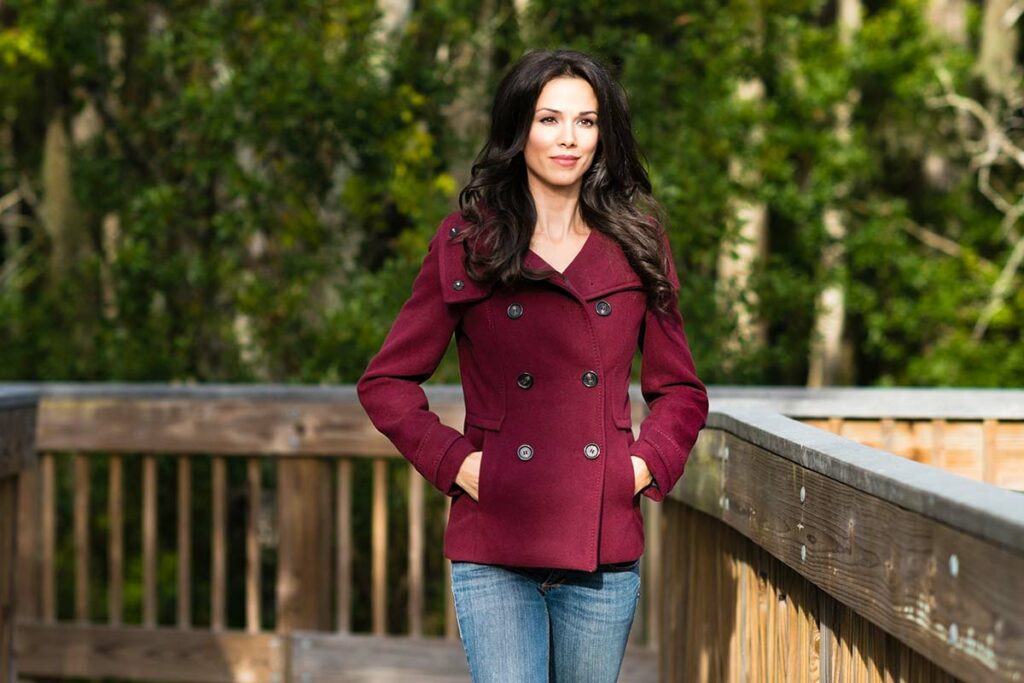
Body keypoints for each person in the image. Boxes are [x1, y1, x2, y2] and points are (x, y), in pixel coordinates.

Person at [357, 48, 709, 683]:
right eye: (549, 119)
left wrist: (639, 468)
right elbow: (386, 382)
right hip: (495, 534)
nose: (568, 139)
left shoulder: (637, 242)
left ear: (604, 136)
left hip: (602, 540)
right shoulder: (467, 242)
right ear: (519, 129)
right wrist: (456, 464)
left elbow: (680, 389)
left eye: (586, 121)